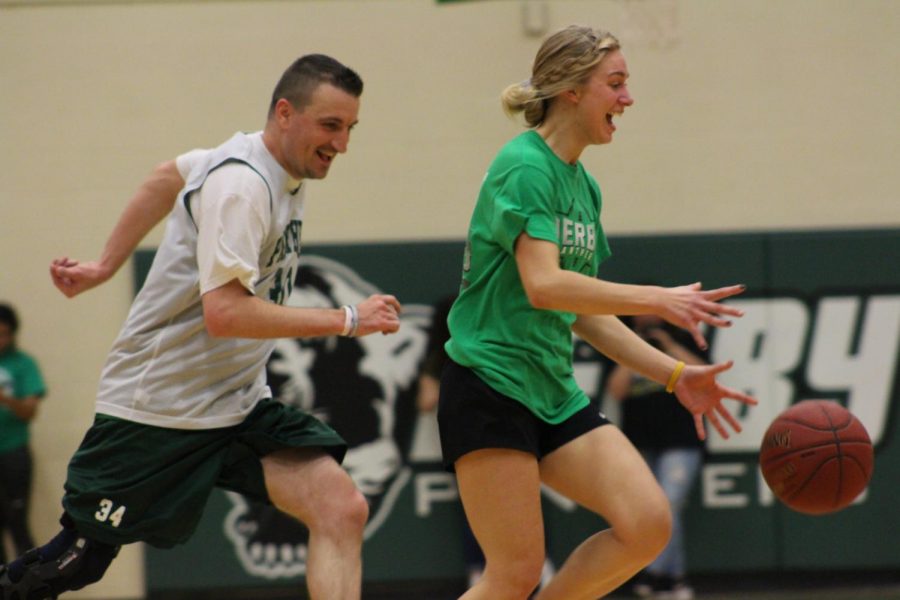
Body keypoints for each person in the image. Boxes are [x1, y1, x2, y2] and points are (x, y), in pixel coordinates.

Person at [0, 54, 401, 600]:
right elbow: (227, 313)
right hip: (159, 407)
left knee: (341, 508)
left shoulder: (258, 163)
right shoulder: (243, 186)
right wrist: (349, 319)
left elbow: (165, 176)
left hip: (234, 404)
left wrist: (104, 265)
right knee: (75, 562)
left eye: (350, 128)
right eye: (330, 126)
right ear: (285, 113)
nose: (342, 144)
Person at [436, 25, 758, 600]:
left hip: (551, 390)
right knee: (514, 574)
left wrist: (675, 375)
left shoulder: (583, 187)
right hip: (490, 386)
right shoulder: (525, 165)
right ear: (571, 91)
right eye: (616, 84)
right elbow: (543, 285)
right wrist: (655, 298)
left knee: (647, 523)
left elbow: (580, 311)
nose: (627, 100)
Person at [606, 315, 709, 599]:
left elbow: (703, 374)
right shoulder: (618, 341)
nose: (650, 327)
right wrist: (635, 349)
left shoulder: (685, 338)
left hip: (682, 439)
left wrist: (666, 345)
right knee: (652, 509)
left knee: (668, 502)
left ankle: (654, 574)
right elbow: (615, 390)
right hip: (640, 442)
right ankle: (673, 579)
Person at [0, 304, 46, 567]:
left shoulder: (23, 364)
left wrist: (5, 399)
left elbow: (30, 410)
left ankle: (29, 586)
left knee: (18, 523)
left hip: (14, 452)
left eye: (5, 333)